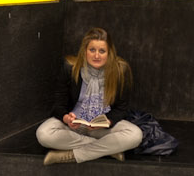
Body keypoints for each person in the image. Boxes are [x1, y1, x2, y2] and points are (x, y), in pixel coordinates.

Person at [36, 27, 143, 164]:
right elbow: (58, 104)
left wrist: (107, 122)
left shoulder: (120, 71)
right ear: (84, 51)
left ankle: (70, 155)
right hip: (73, 127)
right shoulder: (70, 68)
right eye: (92, 50)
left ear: (109, 53)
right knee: (44, 134)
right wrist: (67, 118)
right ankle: (109, 149)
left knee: (135, 135)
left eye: (102, 51)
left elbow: (122, 108)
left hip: (102, 128)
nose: (96, 56)